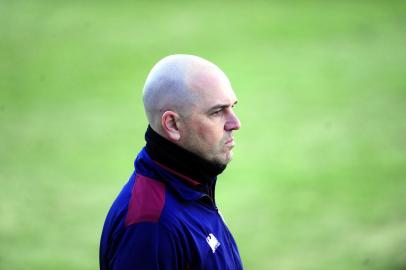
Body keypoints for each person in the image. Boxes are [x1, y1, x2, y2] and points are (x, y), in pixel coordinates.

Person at [99, 54, 243, 269]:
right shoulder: (153, 227)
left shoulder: (192, 186)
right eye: (217, 112)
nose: (235, 123)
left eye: (233, 107)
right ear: (173, 124)